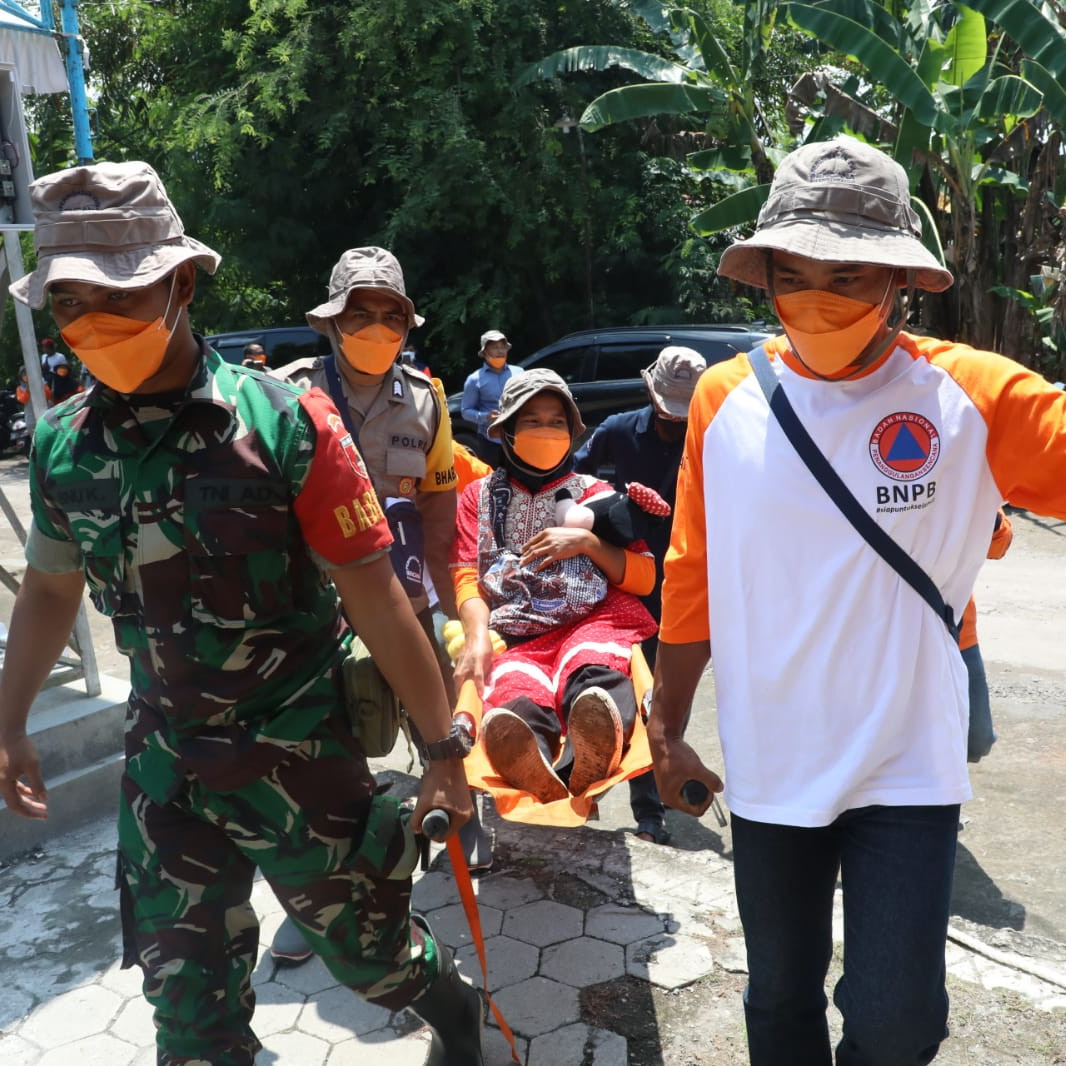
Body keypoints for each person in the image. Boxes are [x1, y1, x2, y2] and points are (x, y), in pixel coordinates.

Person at [0, 161, 482, 1066]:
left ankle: (451, 1007)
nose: (92, 324)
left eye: (118, 294)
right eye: (68, 304)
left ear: (181, 283)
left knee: (378, 962)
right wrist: (9, 720)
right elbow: (50, 590)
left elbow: (376, 599)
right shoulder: (65, 443)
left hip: (298, 754)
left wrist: (445, 752)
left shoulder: (285, 422)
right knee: (187, 1014)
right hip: (164, 769)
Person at [648, 134, 1066, 1066]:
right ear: (762, 277)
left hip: (906, 767)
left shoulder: (970, 396)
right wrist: (668, 726)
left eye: (849, 273)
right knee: (780, 1000)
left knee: (895, 1022)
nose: (818, 296)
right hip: (771, 763)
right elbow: (691, 577)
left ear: (899, 282)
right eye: (794, 273)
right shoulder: (724, 399)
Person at [272, 246, 466, 955]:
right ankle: (317, 902)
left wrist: (447, 601)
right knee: (322, 756)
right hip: (316, 612)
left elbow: (440, 504)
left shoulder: (426, 397)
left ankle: (453, 821)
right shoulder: (289, 396)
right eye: (362, 315)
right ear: (332, 322)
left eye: (392, 316)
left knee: (435, 719)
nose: (379, 328)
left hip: (406, 597)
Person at [451, 368, 657, 804]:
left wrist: (587, 542)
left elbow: (645, 576)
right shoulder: (478, 496)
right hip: (516, 630)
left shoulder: (597, 494)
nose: (546, 430)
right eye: (531, 421)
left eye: (556, 421)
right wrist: (475, 635)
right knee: (514, 692)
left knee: (593, 674)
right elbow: (467, 572)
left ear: (572, 432)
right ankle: (533, 762)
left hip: (590, 620)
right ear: (506, 430)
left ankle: (586, 759)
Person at [575, 345, 706, 843]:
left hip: (682, 593)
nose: (673, 424)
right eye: (666, 413)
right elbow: (573, 481)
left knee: (663, 705)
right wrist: (609, 506)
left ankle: (650, 811)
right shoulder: (617, 430)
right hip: (619, 588)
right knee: (605, 699)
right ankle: (585, 791)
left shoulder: (710, 439)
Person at [461, 329, 523, 467]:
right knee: (493, 481)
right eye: (495, 347)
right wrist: (485, 416)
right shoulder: (474, 379)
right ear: (484, 353)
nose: (500, 351)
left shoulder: (519, 373)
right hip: (490, 442)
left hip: (518, 439)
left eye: (503, 347)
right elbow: (466, 411)